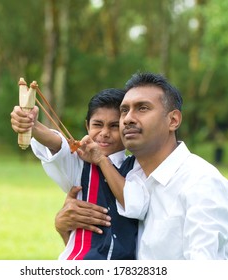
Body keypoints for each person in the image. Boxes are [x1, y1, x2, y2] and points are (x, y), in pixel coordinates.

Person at [55, 72, 228, 260]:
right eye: (124, 110)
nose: (128, 119)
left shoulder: (200, 182)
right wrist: (66, 230)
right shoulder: (126, 178)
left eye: (142, 108)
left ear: (173, 120)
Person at [10, 88, 138, 260]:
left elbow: (136, 203)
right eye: (97, 125)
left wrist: (101, 159)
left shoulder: (137, 166)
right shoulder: (79, 164)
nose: (105, 133)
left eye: (114, 126)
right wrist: (33, 126)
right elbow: (58, 145)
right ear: (87, 126)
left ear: (125, 127)